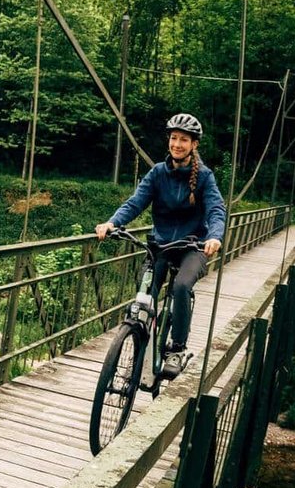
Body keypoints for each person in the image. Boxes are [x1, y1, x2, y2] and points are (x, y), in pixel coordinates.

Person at [94, 112, 226, 379]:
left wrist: (214, 236)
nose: (177, 144)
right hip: (160, 245)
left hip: (192, 247)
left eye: (184, 140)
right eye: (174, 138)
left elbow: (216, 210)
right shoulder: (157, 173)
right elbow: (135, 202)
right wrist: (112, 222)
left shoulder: (205, 178)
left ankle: (177, 348)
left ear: (194, 144)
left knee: (180, 287)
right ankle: (141, 335)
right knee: (145, 294)